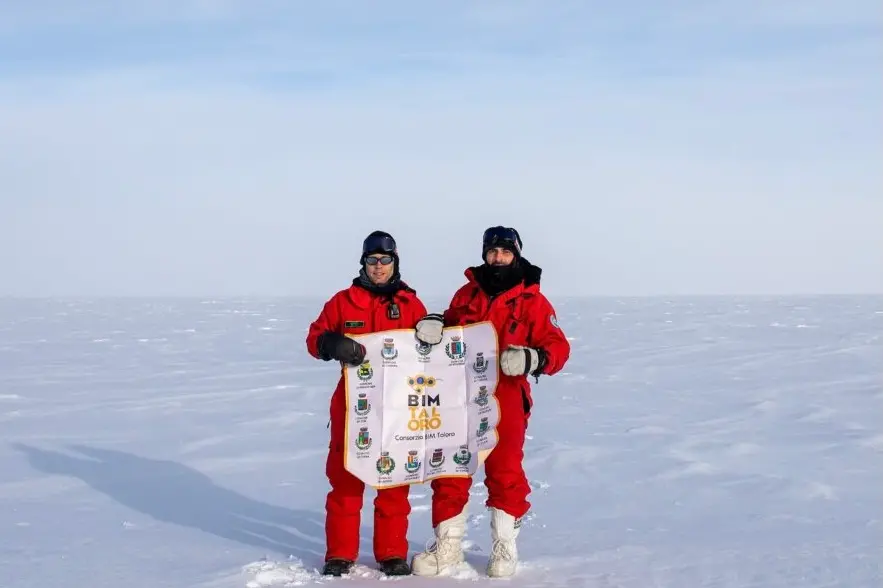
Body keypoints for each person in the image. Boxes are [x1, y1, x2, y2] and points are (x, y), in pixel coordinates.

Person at [409, 226, 571, 578]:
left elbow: (558, 348)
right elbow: (449, 325)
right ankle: (448, 546)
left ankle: (504, 547)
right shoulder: (467, 293)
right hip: (461, 394)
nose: (498, 258)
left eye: (505, 252)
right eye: (492, 252)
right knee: (451, 468)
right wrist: (435, 323)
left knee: (505, 471)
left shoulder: (533, 301)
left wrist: (532, 359)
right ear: (485, 254)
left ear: (516, 254)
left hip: (507, 397)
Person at [305, 230, 428, 577]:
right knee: (345, 479)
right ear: (364, 263)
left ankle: (391, 553)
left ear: (394, 263)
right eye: (372, 261)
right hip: (351, 406)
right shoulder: (343, 302)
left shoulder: (410, 305)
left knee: (392, 480)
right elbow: (314, 339)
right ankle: (340, 554)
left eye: (384, 261)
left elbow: (432, 351)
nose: (378, 267)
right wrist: (331, 343)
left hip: (397, 407)